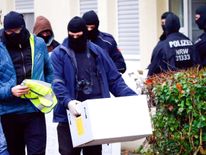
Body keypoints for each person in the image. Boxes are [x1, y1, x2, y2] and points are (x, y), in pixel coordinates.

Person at [51, 16, 136, 155]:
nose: (75, 39)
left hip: (94, 115)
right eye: (72, 36)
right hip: (70, 116)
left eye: (78, 36)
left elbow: (114, 80)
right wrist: (68, 102)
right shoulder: (59, 54)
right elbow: (56, 82)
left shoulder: (97, 52)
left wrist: (131, 98)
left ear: (85, 34)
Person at [0, 11, 53, 155]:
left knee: (37, 152)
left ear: (23, 27)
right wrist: (10, 90)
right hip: (9, 112)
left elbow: (49, 71)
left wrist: (47, 90)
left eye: (16, 30)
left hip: (34, 109)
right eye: (9, 31)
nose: (13, 34)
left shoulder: (38, 43)